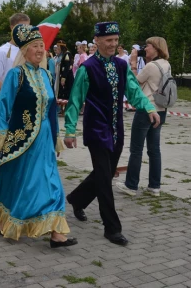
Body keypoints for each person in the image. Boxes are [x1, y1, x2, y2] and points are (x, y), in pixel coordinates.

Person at [63, 22, 161, 246]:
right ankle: (112, 228)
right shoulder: (87, 69)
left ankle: (77, 199)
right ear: (96, 41)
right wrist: (70, 130)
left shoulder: (121, 65)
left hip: (117, 130)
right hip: (96, 130)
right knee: (105, 180)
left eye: (116, 40)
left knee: (104, 174)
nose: (113, 45)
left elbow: (134, 91)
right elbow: (75, 100)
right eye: (109, 41)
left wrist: (148, 107)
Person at [0, 24, 77, 248]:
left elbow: (51, 110)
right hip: (21, 140)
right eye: (34, 46)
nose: (39, 50)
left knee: (50, 181)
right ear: (24, 51)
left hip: (44, 139)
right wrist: (1, 137)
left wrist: (56, 138)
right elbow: (3, 106)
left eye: (41, 46)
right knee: (18, 182)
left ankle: (56, 231)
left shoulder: (46, 74)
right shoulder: (15, 75)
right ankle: (9, 220)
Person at [116, 37, 170, 197]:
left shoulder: (151, 66)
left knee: (136, 149)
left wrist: (133, 63)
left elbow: (134, 83)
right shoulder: (166, 64)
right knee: (154, 150)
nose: (145, 49)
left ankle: (131, 185)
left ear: (156, 48)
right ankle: (155, 186)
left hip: (146, 109)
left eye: (148, 46)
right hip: (161, 110)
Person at [0, 13, 31, 91]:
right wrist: (10, 94)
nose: (26, 31)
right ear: (12, 28)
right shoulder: (1, 51)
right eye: (22, 27)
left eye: (28, 28)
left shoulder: (30, 50)